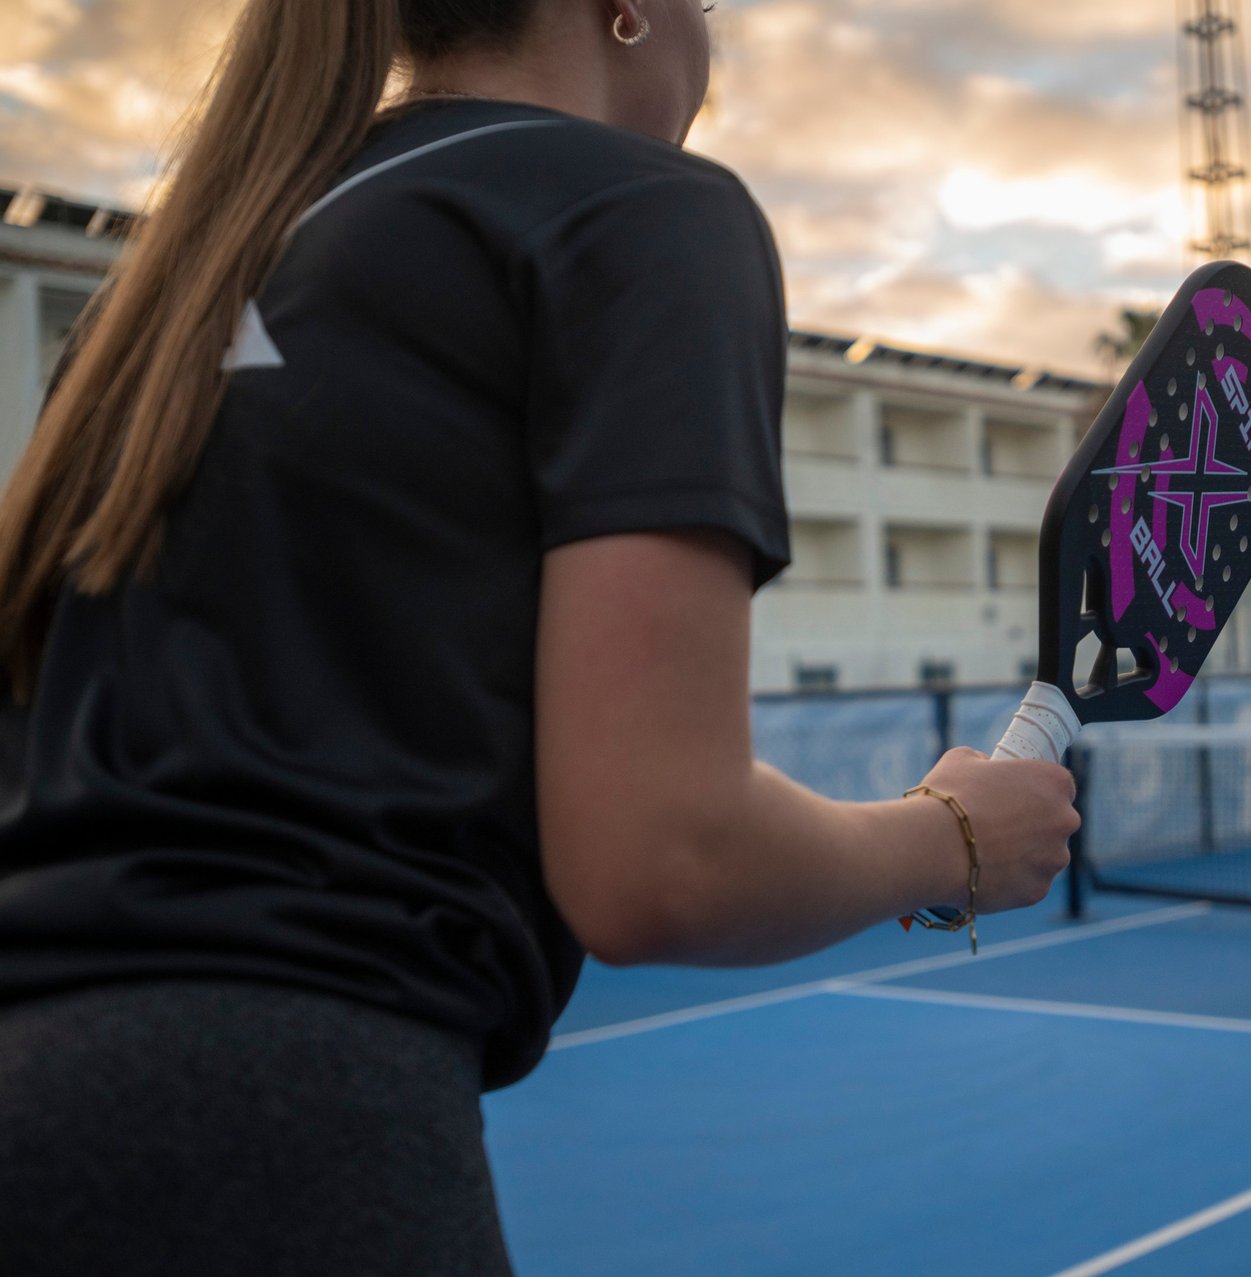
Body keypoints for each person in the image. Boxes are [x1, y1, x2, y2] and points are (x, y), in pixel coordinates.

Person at [0, 3, 1078, 1273]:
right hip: (284, 1133)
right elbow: (663, 859)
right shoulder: (637, 211)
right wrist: (948, 835)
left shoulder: (171, 285)